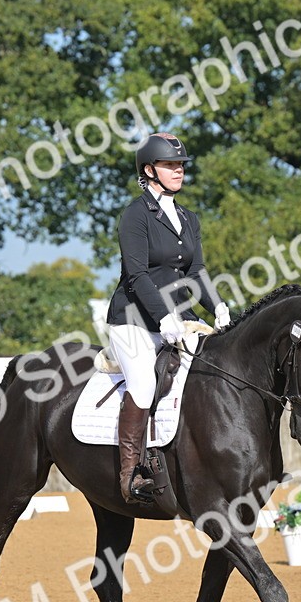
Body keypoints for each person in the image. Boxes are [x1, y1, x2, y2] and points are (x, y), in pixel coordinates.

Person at [106, 132, 230, 503]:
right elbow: (137, 274)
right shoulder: (135, 214)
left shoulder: (189, 218)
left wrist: (219, 307)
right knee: (143, 384)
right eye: (170, 165)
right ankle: (131, 473)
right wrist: (162, 316)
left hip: (182, 319)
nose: (178, 170)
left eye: (181, 165)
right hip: (134, 320)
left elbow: (197, 272)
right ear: (150, 170)